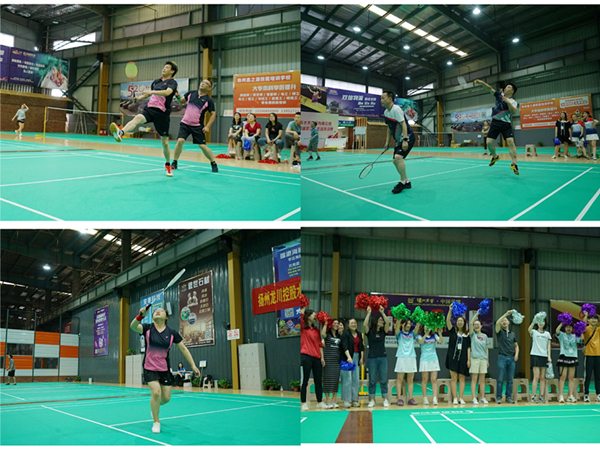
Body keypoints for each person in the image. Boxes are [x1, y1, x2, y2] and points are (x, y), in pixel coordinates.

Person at [130, 306, 200, 434]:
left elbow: (183, 348)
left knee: (166, 398)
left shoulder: (172, 333)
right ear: (153, 317)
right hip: (149, 367)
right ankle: (156, 421)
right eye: (155, 311)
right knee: (156, 393)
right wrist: (141, 315)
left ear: (166, 317)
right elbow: (133, 326)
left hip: (164, 368)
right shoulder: (148, 328)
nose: (158, 311)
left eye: (161, 311)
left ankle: (154, 407)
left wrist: (193, 365)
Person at [110, 62, 179, 177]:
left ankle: (167, 164)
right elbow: (147, 95)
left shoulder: (172, 83)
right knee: (137, 118)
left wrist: (151, 92)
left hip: (162, 113)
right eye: (163, 66)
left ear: (172, 71)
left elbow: (167, 92)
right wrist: (139, 98)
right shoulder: (156, 82)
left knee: (165, 142)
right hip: (150, 109)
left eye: (167, 67)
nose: (163, 68)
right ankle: (121, 133)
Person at [473, 80, 519, 175]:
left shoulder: (513, 102)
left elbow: (513, 111)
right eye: (506, 87)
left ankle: (514, 164)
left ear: (512, 91)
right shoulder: (499, 95)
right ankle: (495, 156)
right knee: (489, 143)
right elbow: (490, 89)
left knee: (511, 142)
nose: (506, 88)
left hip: (506, 124)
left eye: (508, 87)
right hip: (495, 122)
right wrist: (482, 83)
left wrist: (508, 102)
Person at [172, 79, 218, 173]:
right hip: (185, 123)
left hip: (197, 126)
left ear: (209, 88)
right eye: (202, 82)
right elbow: (181, 101)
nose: (203, 84)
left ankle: (213, 163)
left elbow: (213, 114)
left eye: (206, 83)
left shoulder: (208, 100)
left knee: (202, 146)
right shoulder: (191, 93)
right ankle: (175, 162)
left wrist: (208, 126)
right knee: (180, 141)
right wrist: (178, 97)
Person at [381, 91, 416, 194]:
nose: (381, 100)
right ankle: (407, 182)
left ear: (390, 99)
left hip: (407, 137)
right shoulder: (386, 112)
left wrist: (405, 140)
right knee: (394, 160)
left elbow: (403, 124)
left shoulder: (396, 109)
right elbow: (389, 128)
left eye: (383, 98)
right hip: (399, 139)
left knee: (398, 158)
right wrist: (387, 141)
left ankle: (402, 182)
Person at [364, 305, 392, 407]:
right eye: (380, 320)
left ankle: (385, 399)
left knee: (383, 380)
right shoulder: (369, 332)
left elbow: (388, 323)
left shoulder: (383, 332)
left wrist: (383, 312)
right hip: (372, 358)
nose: (382, 321)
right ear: (375, 321)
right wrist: (369, 313)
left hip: (382, 358)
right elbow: (365, 324)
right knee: (372, 380)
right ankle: (372, 399)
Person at [300, 307, 327, 410]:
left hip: (317, 358)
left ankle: (319, 401)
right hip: (306, 356)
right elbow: (301, 317)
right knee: (305, 380)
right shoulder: (302, 328)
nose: (315, 316)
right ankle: (303, 402)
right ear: (307, 316)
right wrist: (303, 307)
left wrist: (322, 358)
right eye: (313, 314)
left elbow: (320, 344)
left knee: (318, 381)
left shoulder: (316, 330)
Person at [445, 307, 470, 404]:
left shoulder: (467, 335)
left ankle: (461, 398)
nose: (460, 322)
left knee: (462, 378)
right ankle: (455, 398)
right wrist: (450, 310)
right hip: (452, 358)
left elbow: (468, 348)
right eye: (458, 321)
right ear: (456, 323)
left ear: (464, 323)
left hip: (463, 359)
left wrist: (468, 360)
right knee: (454, 378)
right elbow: (447, 321)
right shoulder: (452, 331)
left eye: (461, 321)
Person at [495, 309, 519, 404]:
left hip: (511, 358)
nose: (504, 322)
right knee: (500, 379)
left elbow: (516, 345)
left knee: (510, 380)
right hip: (502, 358)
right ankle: (499, 397)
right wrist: (506, 314)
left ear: (509, 322)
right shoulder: (499, 332)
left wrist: (516, 354)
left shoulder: (513, 334)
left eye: (506, 320)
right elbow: (497, 323)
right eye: (503, 321)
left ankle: (508, 397)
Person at [394, 317, 420, 406]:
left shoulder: (412, 334)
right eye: (407, 323)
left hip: (411, 357)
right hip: (401, 357)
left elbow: (417, 328)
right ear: (403, 324)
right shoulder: (399, 334)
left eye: (409, 324)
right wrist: (399, 319)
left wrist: (419, 320)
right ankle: (399, 399)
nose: (409, 325)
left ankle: (410, 398)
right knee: (400, 379)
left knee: (410, 379)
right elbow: (397, 328)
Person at [340, 318, 364, 408]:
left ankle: (354, 400)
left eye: (355, 323)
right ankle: (346, 400)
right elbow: (344, 346)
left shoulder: (359, 334)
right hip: (347, 358)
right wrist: (349, 357)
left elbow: (361, 347)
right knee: (347, 379)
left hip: (357, 357)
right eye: (352, 323)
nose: (354, 324)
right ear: (348, 325)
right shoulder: (345, 334)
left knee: (355, 379)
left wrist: (361, 358)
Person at [528, 315, 552, 403]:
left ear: (545, 323)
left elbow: (548, 346)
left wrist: (549, 356)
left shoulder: (547, 334)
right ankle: (533, 396)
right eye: (539, 321)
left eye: (543, 321)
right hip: (535, 355)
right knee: (536, 376)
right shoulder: (534, 332)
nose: (541, 323)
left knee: (542, 377)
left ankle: (541, 395)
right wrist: (534, 321)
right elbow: (529, 330)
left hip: (544, 356)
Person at [321, 319, 343, 408]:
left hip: (336, 361)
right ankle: (327, 400)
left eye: (338, 323)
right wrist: (326, 323)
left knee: (335, 380)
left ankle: (334, 400)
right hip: (328, 359)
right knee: (327, 380)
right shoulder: (327, 335)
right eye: (335, 323)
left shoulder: (339, 336)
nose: (336, 325)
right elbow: (322, 334)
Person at [417, 325, 442, 405]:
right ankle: (425, 398)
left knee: (434, 379)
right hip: (424, 359)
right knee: (425, 380)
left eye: (429, 326)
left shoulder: (434, 335)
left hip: (434, 359)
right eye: (426, 326)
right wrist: (425, 334)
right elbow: (420, 342)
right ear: (423, 327)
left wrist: (440, 334)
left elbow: (440, 341)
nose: (428, 327)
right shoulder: (420, 335)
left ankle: (435, 398)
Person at [468, 310, 489, 404]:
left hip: (483, 359)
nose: (476, 326)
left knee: (482, 379)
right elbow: (470, 323)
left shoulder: (485, 336)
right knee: (474, 379)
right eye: (475, 325)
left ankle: (482, 397)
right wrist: (476, 314)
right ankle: (473, 398)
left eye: (478, 324)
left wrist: (487, 360)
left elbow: (486, 349)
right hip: (475, 358)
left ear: (481, 326)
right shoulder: (472, 335)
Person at [555, 321, 580, 403]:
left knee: (571, 378)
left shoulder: (575, 336)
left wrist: (580, 329)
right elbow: (557, 331)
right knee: (563, 377)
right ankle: (561, 395)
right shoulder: (562, 335)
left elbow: (582, 338)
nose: (568, 328)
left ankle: (570, 396)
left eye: (570, 327)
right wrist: (562, 323)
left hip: (573, 357)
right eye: (567, 327)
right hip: (564, 357)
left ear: (572, 328)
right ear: (565, 328)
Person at [582, 312, 600, 402]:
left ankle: (598, 394)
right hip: (589, 355)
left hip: (598, 355)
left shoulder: (599, 329)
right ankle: (586, 394)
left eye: (595, 319)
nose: (594, 320)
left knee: (598, 376)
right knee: (588, 376)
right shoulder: (587, 329)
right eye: (592, 318)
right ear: (589, 320)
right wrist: (586, 315)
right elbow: (582, 325)